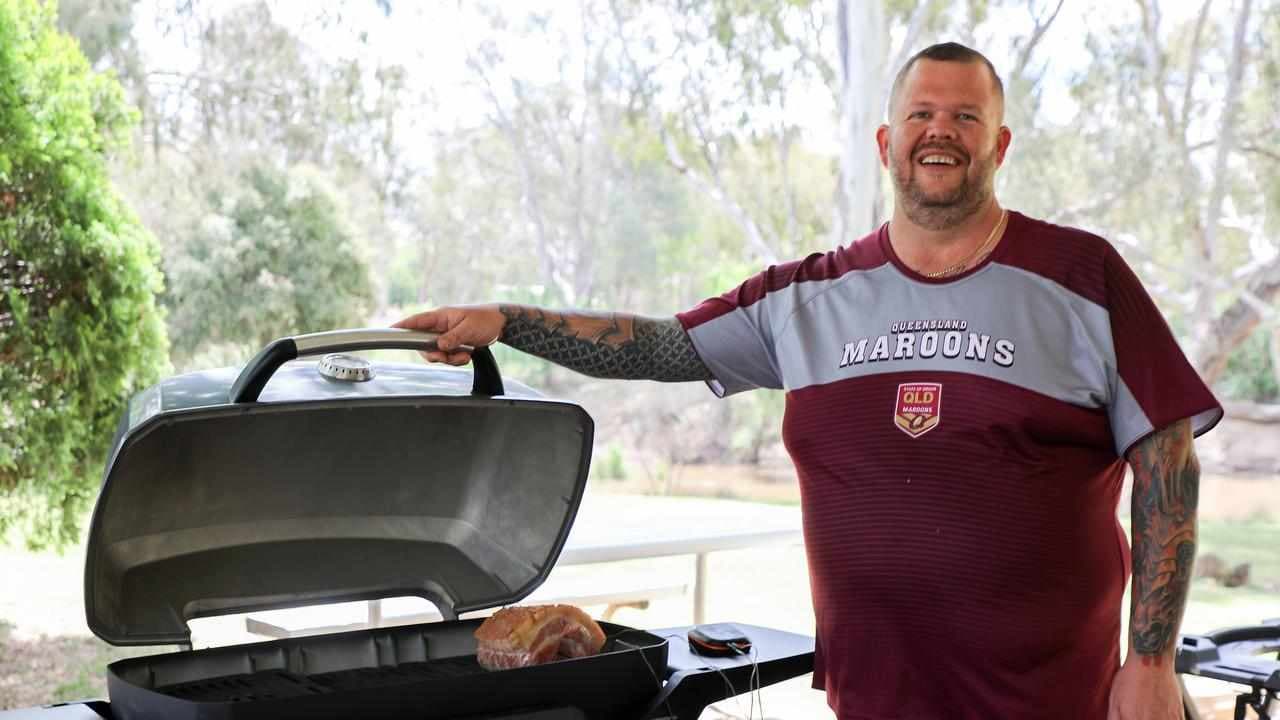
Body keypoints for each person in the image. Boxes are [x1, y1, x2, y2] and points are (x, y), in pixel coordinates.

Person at [395, 42, 1221, 720]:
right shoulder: (804, 298)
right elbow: (658, 346)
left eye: (967, 116)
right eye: (921, 114)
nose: (942, 131)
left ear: (999, 144)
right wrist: (509, 320)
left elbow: (1167, 463)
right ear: (885, 140)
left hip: (1056, 701)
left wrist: (1150, 662)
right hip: (873, 698)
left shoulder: (1081, 276)